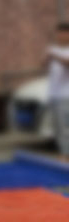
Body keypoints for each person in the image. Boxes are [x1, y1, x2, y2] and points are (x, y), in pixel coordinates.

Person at [47, 22, 69, 156]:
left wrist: (54, 55)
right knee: (58, 128)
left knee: (66, 127)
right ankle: (64, 153)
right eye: (59, 33)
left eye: (64, 33)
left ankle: (67, 155)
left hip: (66, 95)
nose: (60, 36)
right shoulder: (55, 49)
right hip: (54, 94)